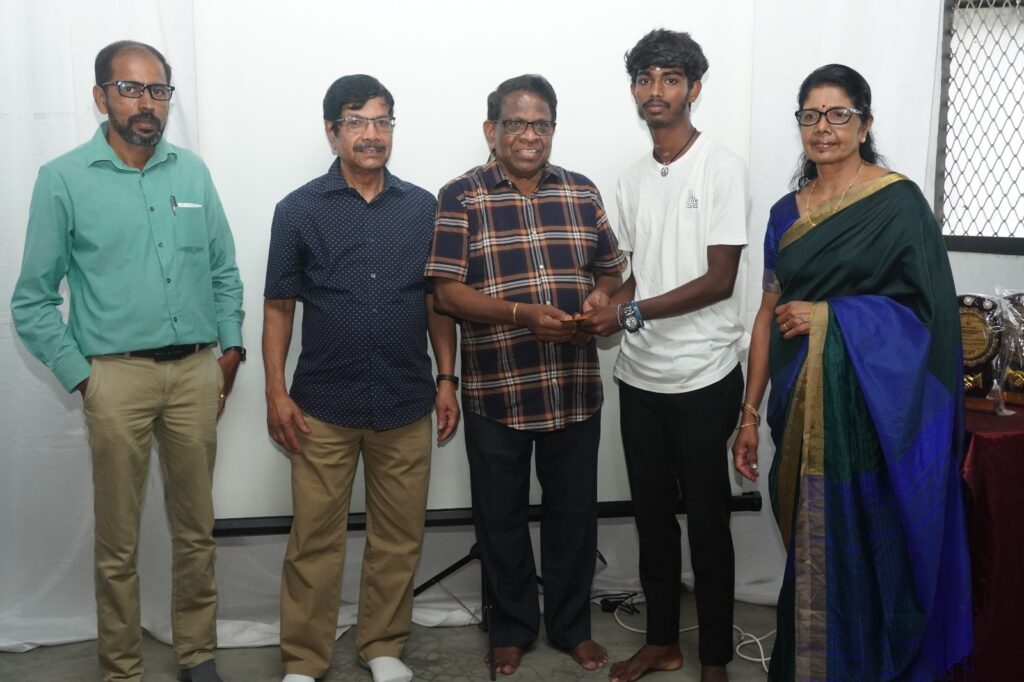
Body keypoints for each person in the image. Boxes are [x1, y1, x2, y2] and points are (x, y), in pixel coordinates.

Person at [10, 40, 243, 682]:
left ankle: (198, 655)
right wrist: (85, 378)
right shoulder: (63, 178)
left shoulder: (192, 173)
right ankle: (122, 669)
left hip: (195, 373)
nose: (146, 103)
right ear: (101, 96)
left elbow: (223, 269)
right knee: (118, 541)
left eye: (158, 90)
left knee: (196, 529)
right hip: (115, 377)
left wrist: (230, 350)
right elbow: (31, 300)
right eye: (131, 88)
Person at [731, 64, 973, 681]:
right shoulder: (785, 215)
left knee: (871, 544)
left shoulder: (899, 203)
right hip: (798, 403)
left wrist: (832, 318)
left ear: (864, 125)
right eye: (810, 115)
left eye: (839, 114)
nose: (824, 128)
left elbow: (931, 318)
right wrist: (749, 415)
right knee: (813, 545)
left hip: (874, 414)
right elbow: (765, 314)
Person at [425, 74, 626, 676]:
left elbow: (612, 270)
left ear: (553, 131)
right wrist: (520, 315)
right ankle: (511, 627)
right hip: (497, 391)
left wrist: (601, 297)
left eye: (541, 124)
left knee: (574, 517)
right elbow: (445, 293)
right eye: (516, 123)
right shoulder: (461, 196)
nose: (529, 135)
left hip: (573, 389)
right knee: (500, 518)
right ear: (492, 130)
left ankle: (571, 628)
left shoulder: (581, 191)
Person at [263, 74, 459, 682]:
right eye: (356, 122)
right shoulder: (297, 210)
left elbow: (436, 301)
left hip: (405, 398)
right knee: (313, 540)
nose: (370, 134)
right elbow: (279, 306)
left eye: (381, 121)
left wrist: (447, 379)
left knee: (398, 538)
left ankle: (383, 647)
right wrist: (275, 392)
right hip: (322, 403)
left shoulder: (424, 208)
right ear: (332, 131)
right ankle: (303, 660)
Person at [579, 29, 748, 682]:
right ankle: (661, 644)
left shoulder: (722, 168)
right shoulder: (630, 179)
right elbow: (632, 277)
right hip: (641, 376)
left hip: (705, 374)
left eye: (671, 79)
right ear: (634, 90)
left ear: (693, 89)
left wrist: (629, 312)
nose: (657, 90)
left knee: (707, 522)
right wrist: (605, 302)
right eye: (646, 78)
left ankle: (715, 657)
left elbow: (719, 280)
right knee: (652, 520)